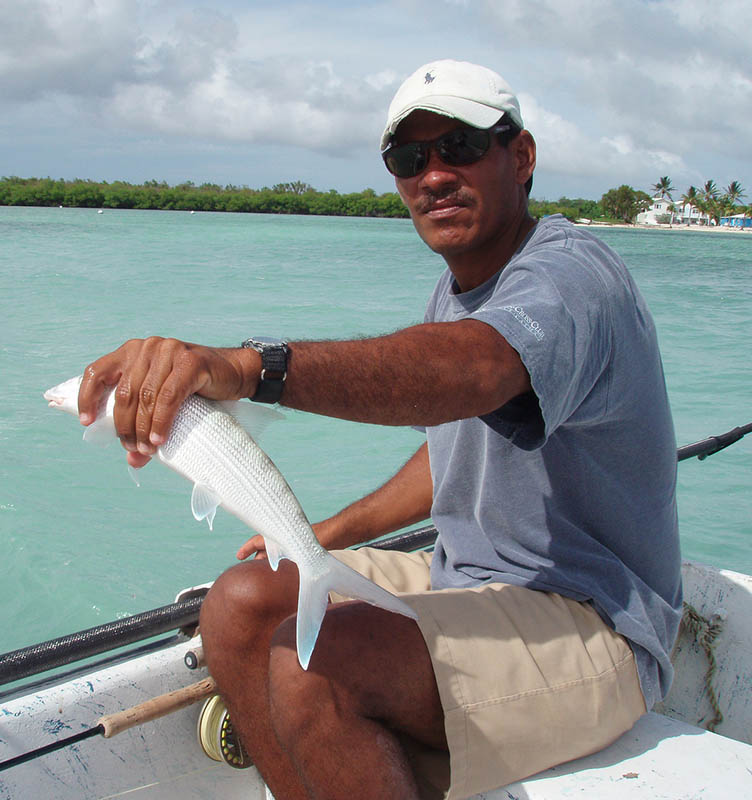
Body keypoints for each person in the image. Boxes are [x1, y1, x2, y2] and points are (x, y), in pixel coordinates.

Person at [77, 60, 682, 799]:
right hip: (464, 574)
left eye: (458, 146)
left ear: (520, 157)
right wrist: (326, 531)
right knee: (237, 605)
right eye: (409, 159)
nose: (432, 176)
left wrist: (250, 368)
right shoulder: (456, 291)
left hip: (597, 622)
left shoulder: (570, 277)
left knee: (321, 663)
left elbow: (472, 372)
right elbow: (457, 450)